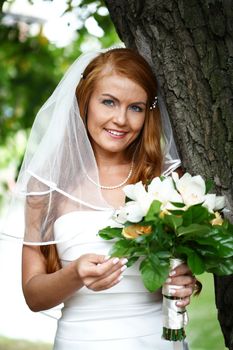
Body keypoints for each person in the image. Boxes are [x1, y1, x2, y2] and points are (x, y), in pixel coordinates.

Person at [5, 47, 197, 349]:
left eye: (136, 107)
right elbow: (33, 296)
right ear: (85, 101)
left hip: (156, 341)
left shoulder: (166, 181)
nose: (120, 119)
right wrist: (74, 274)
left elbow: (177, 270)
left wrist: (185, 283)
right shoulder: (48, 188)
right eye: (108, 102)